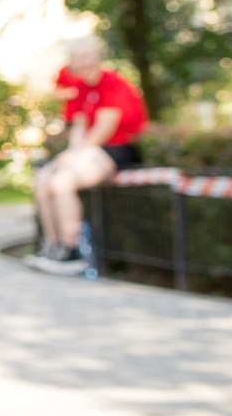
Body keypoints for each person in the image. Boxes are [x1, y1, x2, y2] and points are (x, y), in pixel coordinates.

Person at [31, 33, 146, 270]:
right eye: (77, 58)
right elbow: (81, 127)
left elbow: (104, 129)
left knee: (62, 181)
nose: (82, 63)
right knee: (43, 179)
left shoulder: (113, 83)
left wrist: (74, 156)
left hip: (114, 148)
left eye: (86, 56)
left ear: (97, 56)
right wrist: (69, 153)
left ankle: (71, 249)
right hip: (88, 150)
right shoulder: (80, 88)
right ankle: (52, 245)